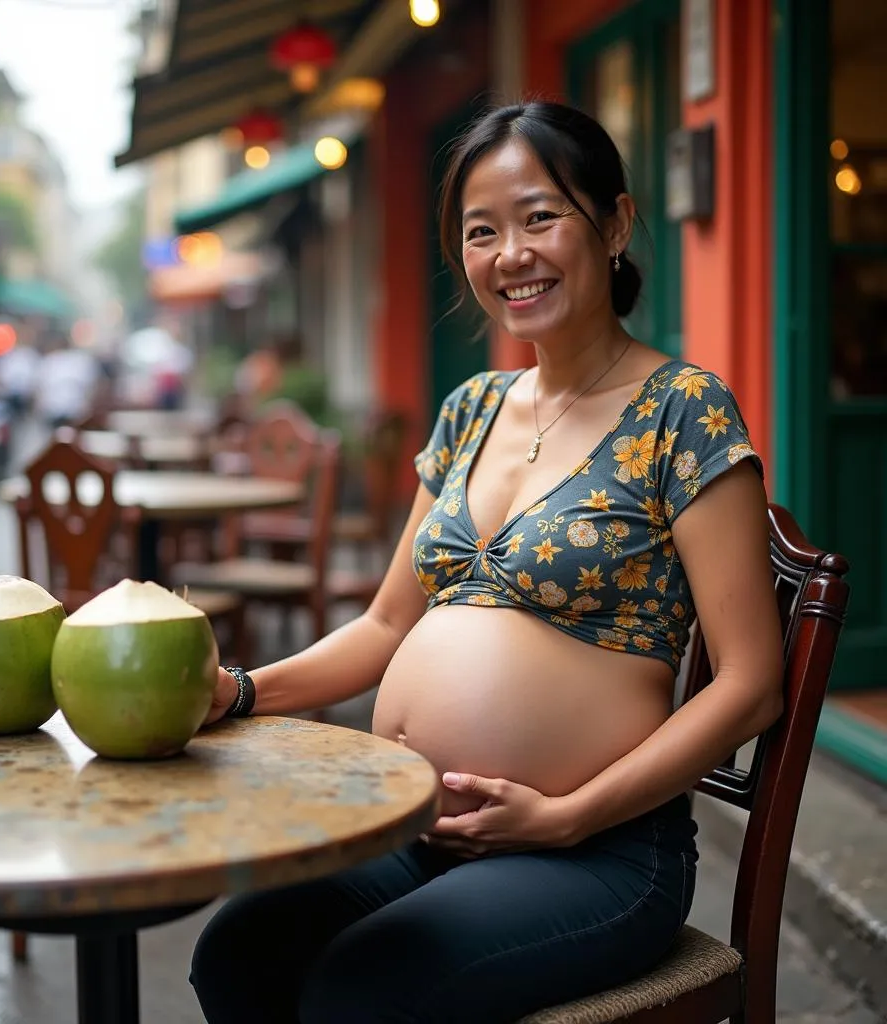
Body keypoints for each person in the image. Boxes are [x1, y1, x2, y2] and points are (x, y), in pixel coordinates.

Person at [189, 101, 783, 1023]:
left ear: (615, 223)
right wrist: (242, 690)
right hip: (417, 826)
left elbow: (750, 684)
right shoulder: (471, 408)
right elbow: (389, 624)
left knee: (365, 986)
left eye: (541, 217)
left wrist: (567, 815)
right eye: (481, 231)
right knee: (241, 949)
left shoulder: (683, 410)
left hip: (596, 851)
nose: (511, 253)